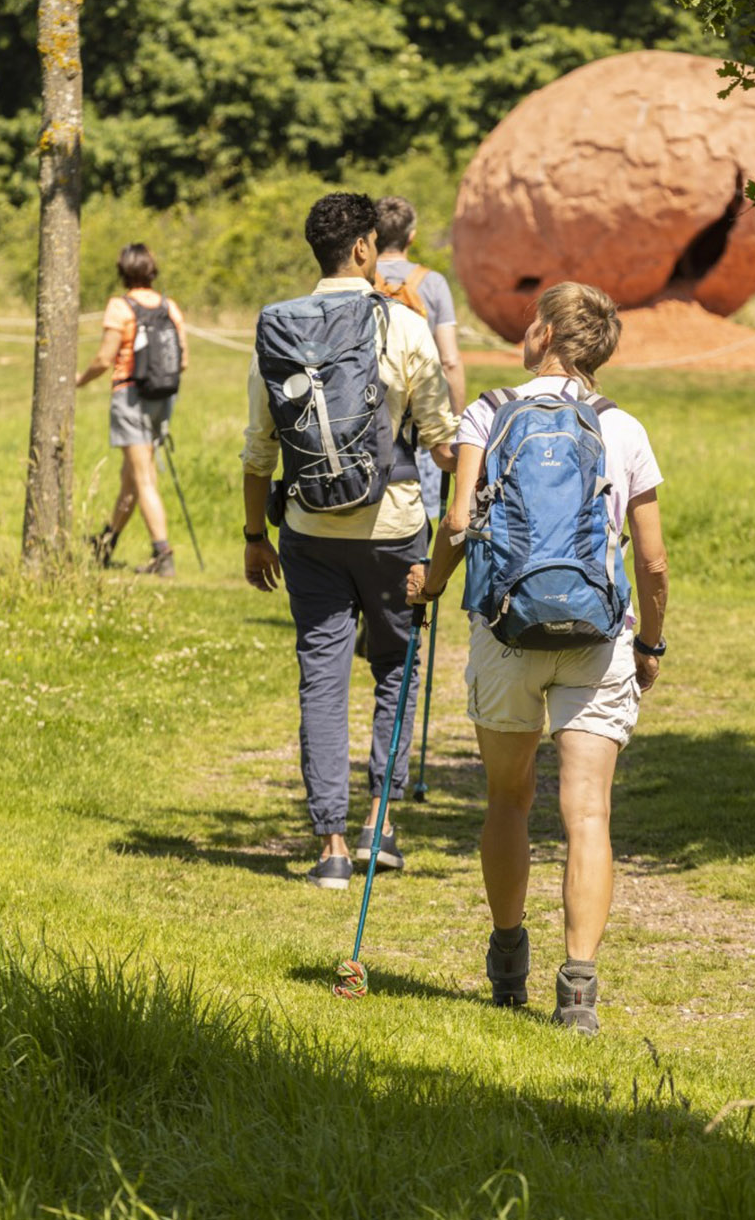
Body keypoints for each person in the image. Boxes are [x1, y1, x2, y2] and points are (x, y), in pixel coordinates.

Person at [407, 281, 668, 1033]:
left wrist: (430, 583)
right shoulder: (623, 427)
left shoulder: (486, 413)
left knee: (508, 799)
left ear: (548, 334)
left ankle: (507, 956)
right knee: (587, 812)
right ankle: (579, 989)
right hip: (596, 638)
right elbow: (650, 562)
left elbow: (457, 520)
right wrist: (648, 642)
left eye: (533, 321)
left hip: (505, 631)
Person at [242, 193, 457, 891]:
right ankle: (378, 827)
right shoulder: (402, 327)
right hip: (395, 527)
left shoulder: (278, 331)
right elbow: (441, 442)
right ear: (365, 248)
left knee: (322, 674)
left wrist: (255, 536)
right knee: (396, 667)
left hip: (307, 530)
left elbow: (257, 453)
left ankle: (331, 845)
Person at [77, 242, 188, 577]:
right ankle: (106, 544)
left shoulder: (120, 308)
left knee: (143, 478)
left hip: (130, 397)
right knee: (131, 478)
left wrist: (77, 382)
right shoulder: (170, 307)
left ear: (123, 270)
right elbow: (183, 359)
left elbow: (103, 358)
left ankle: (163, 554)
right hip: (163, 399)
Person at [373, 196, 465, 521]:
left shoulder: (360, 278)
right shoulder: (433, 283)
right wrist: (454, 422)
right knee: (420, 514)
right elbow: (449, 360)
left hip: (367, 413)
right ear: (411, 236)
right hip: (421, 416)